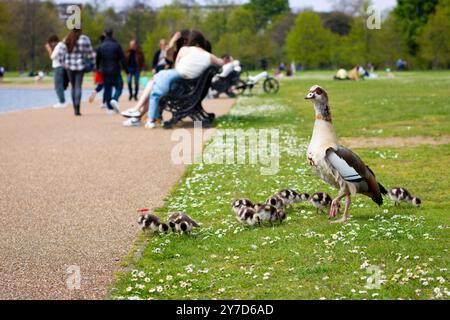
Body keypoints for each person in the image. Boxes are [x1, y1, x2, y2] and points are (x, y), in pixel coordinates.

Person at [144, 30, 224, 129]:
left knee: (155, 90)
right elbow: (221, 62)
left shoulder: (185, 49)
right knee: (155, 88)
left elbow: (177, 66)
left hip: (180, 84)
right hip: (193, 88)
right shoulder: (209, 56)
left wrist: (173, 41)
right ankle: (149, 116)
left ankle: (151, 119)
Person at [58, 28, 95, 116]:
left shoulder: (67, 38)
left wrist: (63, 63)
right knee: (78, 87)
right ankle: (77, 109)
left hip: (69, 66)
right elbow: (90, 53)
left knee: (73, 87)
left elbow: (60, 53)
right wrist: (93, 64)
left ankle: (74, 108)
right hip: (80, 66)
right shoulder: (84, 39)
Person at [96, 29, 127, 115]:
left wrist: (98, 68)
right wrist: (126, 69)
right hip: (115, 70)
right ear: (113, 34)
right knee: (119, 86)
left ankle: (110, 107)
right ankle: (115, 99)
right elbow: (122, 59)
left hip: (104, 71)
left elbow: (97, 59)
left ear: (105, 34)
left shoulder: (101, 46)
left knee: (107, 89)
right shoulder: (117, 46)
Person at [45, 35, 68, 108]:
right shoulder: (62, 46)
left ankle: (62, 102)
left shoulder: (59, 46)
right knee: (59, 85)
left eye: (51, 43)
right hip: (62, 67)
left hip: (58, 67)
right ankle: (62, 101)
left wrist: (49, 49)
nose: (51, 44)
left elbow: (52, 56)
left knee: (58, 86)